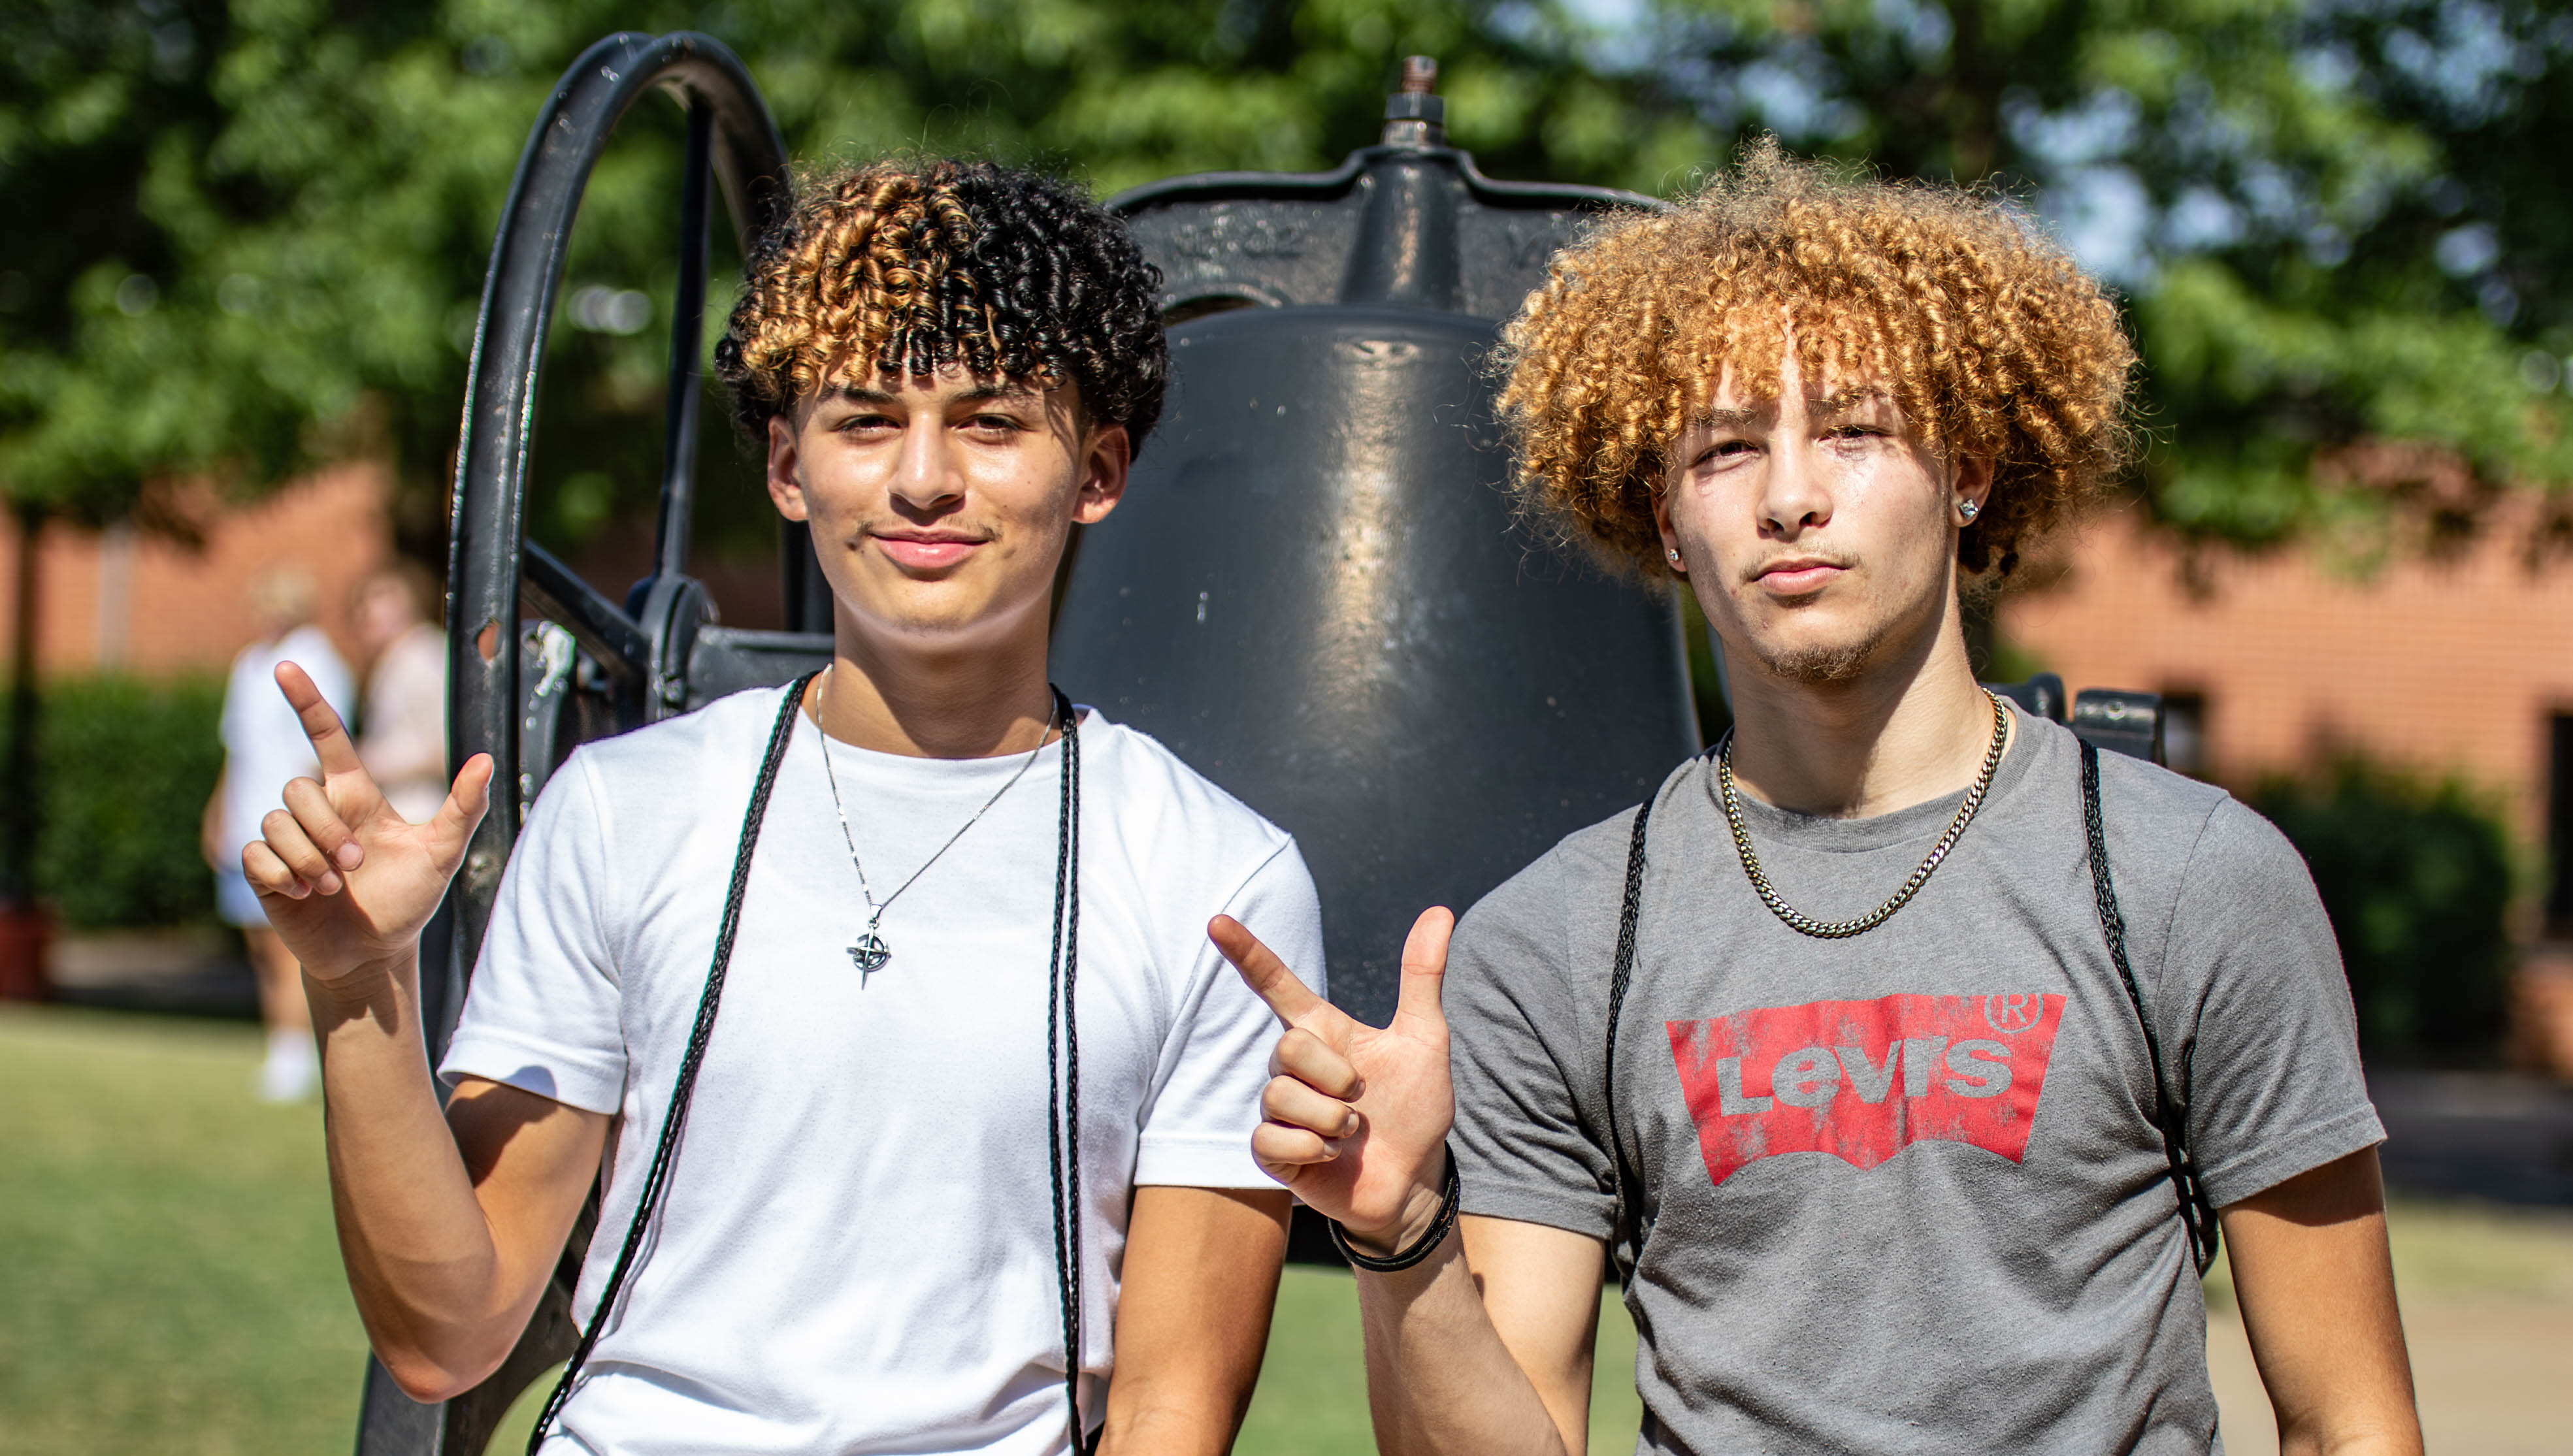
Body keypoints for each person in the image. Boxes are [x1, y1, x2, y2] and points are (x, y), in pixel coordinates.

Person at [1213, 150, 2422, 1455]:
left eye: (1853, 431)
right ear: (1664, 517)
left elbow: (2351, 1422)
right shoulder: (1549, 943)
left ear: (1965, 471)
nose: (1790, 496)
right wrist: (1401, 1237)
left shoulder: (2190, 879)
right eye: (1726, 448)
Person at [242, 161, 1322, 1455]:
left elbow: (1168, 1413)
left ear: (1096, 470)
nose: (923, 479)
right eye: (865, 420)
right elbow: (445, 1332)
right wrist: (359, 979)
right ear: (786, 466)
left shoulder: (1215, 876)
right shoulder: (622, 811)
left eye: (989, 423)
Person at [203, 564, 353, 1101]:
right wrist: (217, 810)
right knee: (258, 942)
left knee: (288, 940)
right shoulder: (247, 664)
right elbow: (235, 749)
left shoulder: (317, 662)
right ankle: (280, 1042)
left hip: (287, 819)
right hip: (246, 815)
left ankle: (296, 1053)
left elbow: (321, 753)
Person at [350, 562, 447, 824]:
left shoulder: (422, 658)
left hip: (422, 813)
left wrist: (368, 763)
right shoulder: (396, 661)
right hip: (403, 812)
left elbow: (444, 749)